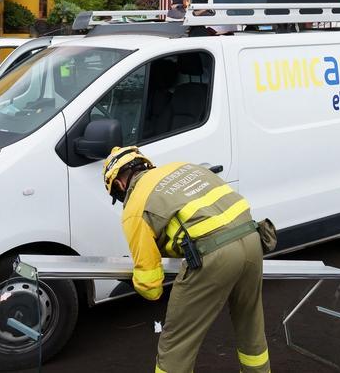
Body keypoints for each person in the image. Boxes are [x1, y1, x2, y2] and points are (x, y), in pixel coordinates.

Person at [104, 146, 270, 372]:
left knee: (176, 344)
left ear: (120, 185)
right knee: (251, 326)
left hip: (213, 256)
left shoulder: (135, 206)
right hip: (252, 239)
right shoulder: (183, 167)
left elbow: (151, 287)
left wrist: (134, 279)